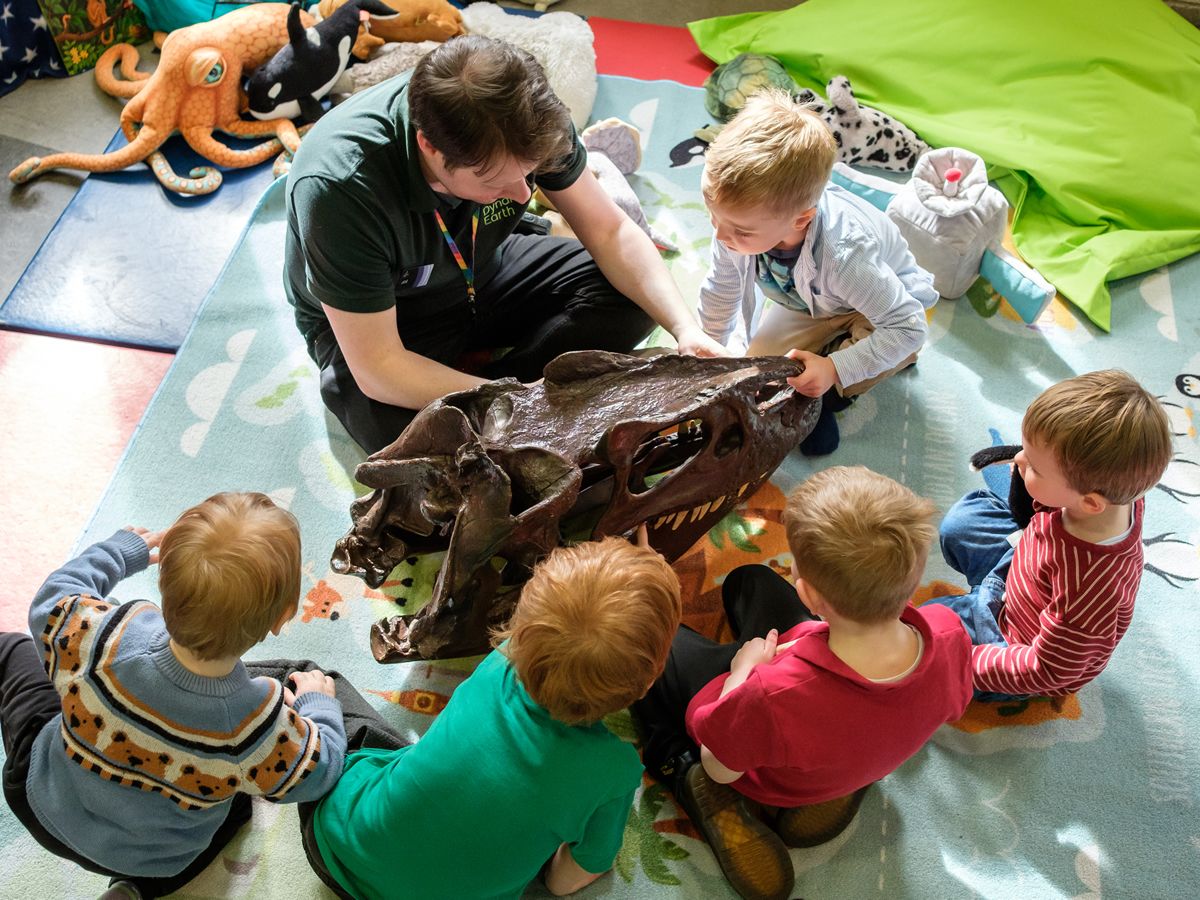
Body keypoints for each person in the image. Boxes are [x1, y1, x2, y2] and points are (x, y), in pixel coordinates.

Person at [284, 34, 726, 455]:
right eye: (495, 181)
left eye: (530, 172)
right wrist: (509, 399)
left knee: (631, 299)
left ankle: (504, 399)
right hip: (387, 323)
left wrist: (685, 329)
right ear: (430, 148)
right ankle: (509, 403)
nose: (522, 195)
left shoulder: (528, 116)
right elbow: (379, 367)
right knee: (416, 453)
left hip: (483, 267)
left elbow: (611, 230)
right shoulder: (340, 187)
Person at [633, 467, 972, 900]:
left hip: (759, 747)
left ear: (811, 594)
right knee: (748, 580)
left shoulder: (770, 695)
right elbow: (951, 702)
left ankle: (682, 774)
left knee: (653, 649)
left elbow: (720, 762)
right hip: (856, 732)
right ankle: (842, 778)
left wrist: (742, 673)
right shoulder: (949, 631)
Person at [0, 492, 356, 899]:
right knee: (239, 808)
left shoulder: (103, 634)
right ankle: (132, 891)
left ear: (163, 580)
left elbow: (54, 596)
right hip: (151, 860)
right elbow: (319, 771)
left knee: (14, 650)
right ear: (282, 616)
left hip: (39, 799)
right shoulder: (256, 725)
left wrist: (119, 552)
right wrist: (319, 704)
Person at [300, 534, 683, 899]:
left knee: (319, 681)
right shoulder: (614, 771)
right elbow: (562, 883)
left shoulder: (498, 664)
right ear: (648, 682)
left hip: (335, 846)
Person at [696, 89, 938, 456]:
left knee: (873, 355)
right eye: (713, 216)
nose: (720, 235)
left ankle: (837, 392)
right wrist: (707, 348)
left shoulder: (845, 256)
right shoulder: (734, 227)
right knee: (751, 376)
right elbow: (722, 286)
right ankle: (823, 374)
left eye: (741, 231)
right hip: (809, 302)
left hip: (879, 305)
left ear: (801, 219)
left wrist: (834, 369)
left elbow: (907, 326)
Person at [927, 369, 1173, 700]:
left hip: (1012, 639)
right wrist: (1037, 478)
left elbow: (1047, 669)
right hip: (1025, 563)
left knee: (922, 642)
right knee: (963, 524)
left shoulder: (1091, 589)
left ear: (1090, 503)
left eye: (1035, 467)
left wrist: (966, 662)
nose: (1016, 460)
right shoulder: (1118, 492)